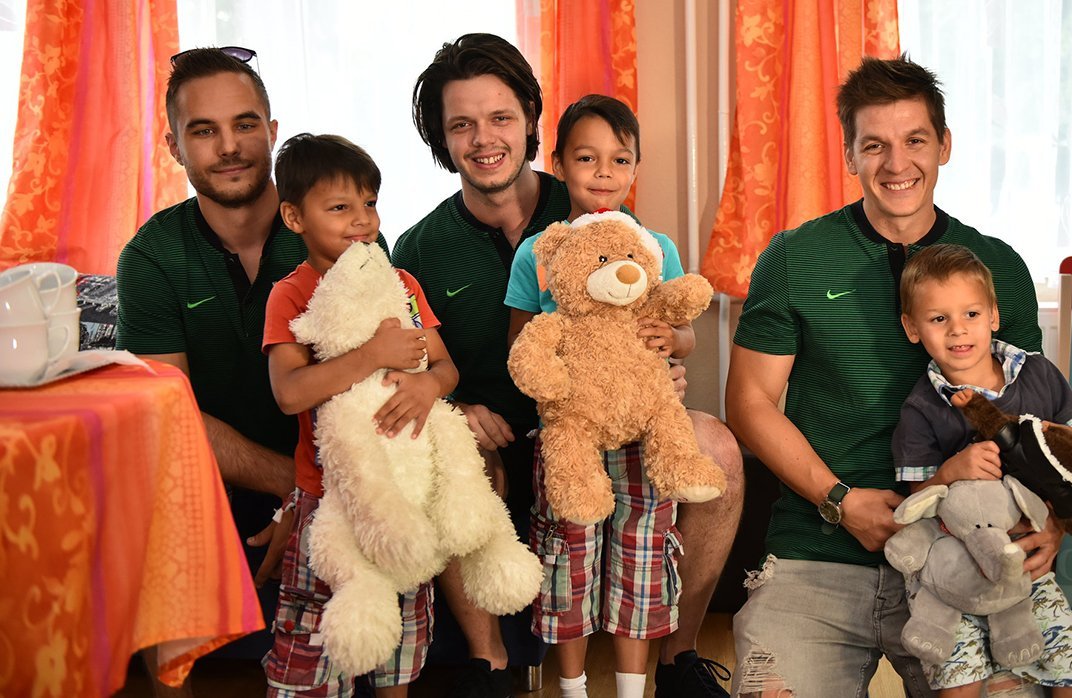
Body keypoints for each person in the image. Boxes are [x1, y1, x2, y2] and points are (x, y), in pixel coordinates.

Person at [392, 33, 743, 698]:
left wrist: (661, 364)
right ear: (442, 138)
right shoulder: (420, 248)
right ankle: (489, 665)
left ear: (531, 119)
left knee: (718, 449)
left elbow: (652, 313)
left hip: (614, 421)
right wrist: (453, 409)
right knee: (448, 454)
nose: (484, 139)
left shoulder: (596, 207)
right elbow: (405, 366)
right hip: (506, 434)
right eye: (461, 124)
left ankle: (678, 659)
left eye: (500, 117)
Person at [725, 54, 1054, 698]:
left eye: (915, 141)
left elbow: (1033, 417)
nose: (896, 163)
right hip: (817, 553)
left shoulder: (998, 267)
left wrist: (1051, 519)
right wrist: (840, 500)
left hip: (965, 553)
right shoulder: (794, 257)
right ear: (850, 154)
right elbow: (750, 401)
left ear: (945, 146)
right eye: (874, 144)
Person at [116, 48, 410, 696]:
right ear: (174, 146)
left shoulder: (345, 230)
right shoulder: (151, 255)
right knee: (151, 499)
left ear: (272, 132)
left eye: (245, 124)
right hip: (220, 478)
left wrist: (322, 493)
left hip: (341, 468)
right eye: (204, 130)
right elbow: (168, 415)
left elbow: (381, 381)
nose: (229, 146)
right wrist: (294, 491)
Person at [503, 94, 695, 698]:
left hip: (642, 430)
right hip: (572, 434)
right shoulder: (540, 252)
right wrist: (559, 379)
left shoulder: (656, 248)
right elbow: (521, 344)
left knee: (643, 552)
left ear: (636, 166)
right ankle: (573, 687)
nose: (604, 174)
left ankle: (633, 688)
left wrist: (675, 341)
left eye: (620, 159)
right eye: (587, 158)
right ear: (558, 163)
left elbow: (683, 331)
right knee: (569, 554)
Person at [262, 133, 451, 697]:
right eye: (341, 207)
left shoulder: (402, 284)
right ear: (294, 217)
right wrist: (371, 355)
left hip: (402, 490)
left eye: (369, 203)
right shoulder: (290, 295)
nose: (363, 220)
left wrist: (428, 385)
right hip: (328, 497)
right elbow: (290, 393)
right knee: (319, 635)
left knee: (401, 633)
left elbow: (446, 368)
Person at [893, 243, 1072, 697]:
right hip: (955, 570)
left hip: (1026, 562)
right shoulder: (921, 407)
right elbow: (914, 501)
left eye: (971, 314)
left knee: (1070, 669)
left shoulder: (1038, 375)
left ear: (993, 316)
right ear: (912, 328)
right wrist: (950, 472)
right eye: (938, 318)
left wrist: (1053, 440)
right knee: (958, 679)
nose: (958, 329)